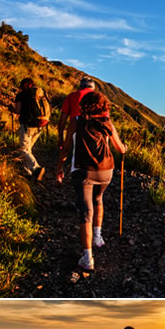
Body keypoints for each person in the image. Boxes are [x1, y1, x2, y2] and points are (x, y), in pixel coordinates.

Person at [57, 89, 126, 273]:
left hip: (83, 172)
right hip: (106, 171)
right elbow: (120, 149)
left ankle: (88, 258)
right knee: (98, 200)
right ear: (103, 107)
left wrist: (59, 167)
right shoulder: (107, 123)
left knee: (85, 213)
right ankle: (98, 237)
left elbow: (66, 148)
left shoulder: (76, 122)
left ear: (83, 106)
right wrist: (125, 147)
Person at [13, 77, 50, 180]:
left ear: (25, 84)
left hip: (27, 125)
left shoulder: (21, 95)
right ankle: (28, 173)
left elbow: (17, 111)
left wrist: (12, 108)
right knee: (28, 150)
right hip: (40, 124)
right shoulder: (40, 94)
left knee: (23, 150)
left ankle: (36, 168)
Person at [58, 76, 94, 146]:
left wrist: (60, 138)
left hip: (74, 133)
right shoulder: (100, 99)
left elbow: (62, 120)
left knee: (66, 154)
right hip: (94, 136)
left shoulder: (72, 96)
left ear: (80, 86)